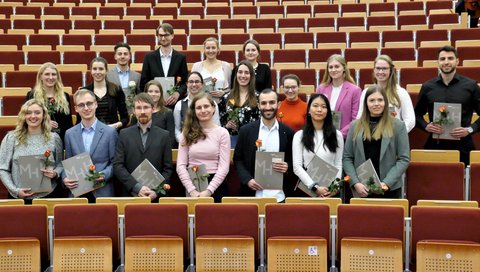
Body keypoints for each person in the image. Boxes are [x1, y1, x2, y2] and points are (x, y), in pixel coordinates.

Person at [415, 46, 480, 165]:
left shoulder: (471, 86)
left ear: (457, 61)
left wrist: (470, 129)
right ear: (438, 62)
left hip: (463, 146)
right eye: (442, 59)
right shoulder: (427, 87)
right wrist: (426, 126)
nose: (446, 62)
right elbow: (416, 115)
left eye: (450, 58)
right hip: (435, 145)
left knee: (463, 182)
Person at [343, 85, 410, 199]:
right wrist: (355, 183)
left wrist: (387, 183)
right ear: (366, 103)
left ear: (386, 102)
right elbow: (347, 157)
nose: (376, 104)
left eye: (380, 100)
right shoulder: (355, 125)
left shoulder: (398, 125)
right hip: (362, 189)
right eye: (372, 100)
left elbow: (404, 159)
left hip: (389, 188)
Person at [234, 89, 295, 203]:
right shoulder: (246, 131)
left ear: (279, 104)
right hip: (252, 195)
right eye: (263, 103)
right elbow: (238, 158)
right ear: (258, 105)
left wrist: (288, 166)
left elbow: (294, 161)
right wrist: (247, 179)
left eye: (272, 102)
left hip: (280, 197)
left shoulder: (289, 133)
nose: (268, 107)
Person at [0, 99, 63, 202]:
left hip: (49, 196)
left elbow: (60, 165)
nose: (33, 116)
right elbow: (3, 169)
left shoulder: (54, 138)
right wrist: (15, 191)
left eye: (37, 113)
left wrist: (55, 173)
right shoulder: (11, 138)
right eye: (28, 113)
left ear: (43, 116)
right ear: (23, 116)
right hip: (19, 198)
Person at [113, 93, 173, 200]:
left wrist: (156, 191)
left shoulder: (164, 135)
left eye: (146, 107)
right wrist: (136, 187)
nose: (142, 112)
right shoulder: (124, 134)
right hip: (130, 194)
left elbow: (167, 169)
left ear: (153, 109)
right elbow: (118, 165)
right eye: (138, 108)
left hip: (155, 197)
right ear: (133, 111)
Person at [62, 89, 118, 202]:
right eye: (81, 105)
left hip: (102, 191)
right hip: (78, 192)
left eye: (89, 103)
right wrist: (64, 178)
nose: (86, 108)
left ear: (96, 104)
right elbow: (67, 163)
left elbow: (115, 163)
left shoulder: (110, 132)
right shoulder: (69, 134)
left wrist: (104, 175)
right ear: (76, 108)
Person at [176, 93, 230, 202]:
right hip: (192, 184)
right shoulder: (186, 133)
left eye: (206, 106)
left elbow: (224, 167)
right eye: (199, 108)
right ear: (194, 111)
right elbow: (180, 166)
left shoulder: (223, 133)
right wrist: (192, 190)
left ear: (213, 108)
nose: (203, 110)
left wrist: (209, 191)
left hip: (216, 185)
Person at [293, 94, 344, 197]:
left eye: (324, 107)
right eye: (315, 106)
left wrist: (335, 186)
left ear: (328, 111)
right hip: (308, 190)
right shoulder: (299, 135)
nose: (319, 109)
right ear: (309, 110)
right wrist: (314, 187)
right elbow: (297, 166)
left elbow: (338, 163)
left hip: (330, 190)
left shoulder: (337, 135)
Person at [357, 55, 415, 132]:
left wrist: (399, 133)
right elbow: (360, 116)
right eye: (378, 68)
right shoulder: (366, 92)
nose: (380, 72)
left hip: (394, 136)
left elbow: (410, 120)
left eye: (384, 69)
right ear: (374, 70)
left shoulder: (401, 92)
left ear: (390, 70)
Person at [140, 23, 188, 106]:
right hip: (154, 104)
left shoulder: (181, 58)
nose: (163, 38)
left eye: (166, 35)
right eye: (160, 35)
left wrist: (177, 93)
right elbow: (144, 82)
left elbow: (185, 82)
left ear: (172, 35)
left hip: (175, 104)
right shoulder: (149, 57)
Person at [25, 62, 73, 141]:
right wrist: (44, 124)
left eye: (53, 74)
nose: (50, 77)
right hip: (38, 138)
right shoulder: (32, 95)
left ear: (57, 77)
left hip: (60, 139)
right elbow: (26, 119)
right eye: (47, 74)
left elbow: (68, 124)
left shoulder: (65, 96)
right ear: (41, 76)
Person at [317, 54, 361, 138]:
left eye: (337, 66)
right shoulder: (321, 88)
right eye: (330, 67)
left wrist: (339, 135)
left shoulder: (355, 90)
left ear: (344, 68)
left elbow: (356, 119)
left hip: (345, 137)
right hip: (323, 135)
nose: (333, 70)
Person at [219, 60, 260, 147]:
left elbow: (261, 122)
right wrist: (226, 125)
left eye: (246, 73)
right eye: (240, 72)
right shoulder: (226, 97)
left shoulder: (258, 98)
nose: (243, 76)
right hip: (230, 142)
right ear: (236, 74)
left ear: (251, 76)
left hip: (251, 142)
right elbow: (220, 120)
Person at [81, 57, 129, 130]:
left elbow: (125, 118)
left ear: (106, 70)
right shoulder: (84, 91)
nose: (97, 72)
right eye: (94, 69)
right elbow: (80, 120)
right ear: (90, 71)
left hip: (112, 133)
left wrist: (114, 126)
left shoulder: (116, 89)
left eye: (101, 69)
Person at [173, 72, 220, 143]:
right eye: (191, 82)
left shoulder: (212, 104)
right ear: (187, 84)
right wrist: (183, 141)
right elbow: (177, 129)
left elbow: (217, 126)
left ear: (202, 84)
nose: (194, 84)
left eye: (197, 81)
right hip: (187, 144)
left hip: (208, 144)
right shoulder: (179, 105)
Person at [130, 80, 175, 146]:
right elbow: (131, 135)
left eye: (156, 91)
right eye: (150, 91)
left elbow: (170, 139)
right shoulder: (138, 113)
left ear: (161, 94)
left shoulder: (168, 113)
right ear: (145, 93)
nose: (153, 94)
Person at [107, 42, 141, 112]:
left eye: (125, 54)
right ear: (115, 56)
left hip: (132, 113)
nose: (122, 56)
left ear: (129, 56)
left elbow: (140, 96)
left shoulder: (137, 76)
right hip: (114, 113)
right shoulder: (107, 76)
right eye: (119, 54)